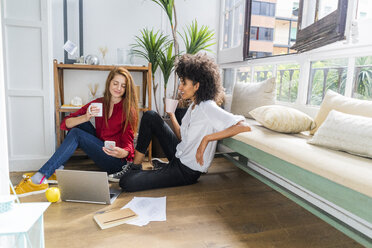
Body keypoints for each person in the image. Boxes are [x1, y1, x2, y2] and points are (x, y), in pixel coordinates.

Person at [108, 53, 251, 192]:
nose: (180, 87)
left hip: (186, 171)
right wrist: (171, 114)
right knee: (150, 116)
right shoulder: (194, 105)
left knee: (126, 182)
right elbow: (182, 137)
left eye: (184, 83)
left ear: (197, 86)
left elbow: (244, 126)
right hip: (179, 155)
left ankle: (161, 170)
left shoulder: (208, 106)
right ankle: (135, 166)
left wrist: (206, 139)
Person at [12, 67, 139, 196]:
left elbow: (129, 147)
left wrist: (121, 153)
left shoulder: (128, 110)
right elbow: (66, 122)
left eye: (123, 86)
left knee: (77, 134)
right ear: (109, 83)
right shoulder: (99, 103)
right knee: (79, 123)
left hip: (116, 161)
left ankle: (39, 178)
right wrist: (86, 116)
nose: (118, 88)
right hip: (101, 147)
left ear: (126, 89)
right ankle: (55, 171)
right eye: (115, 83)